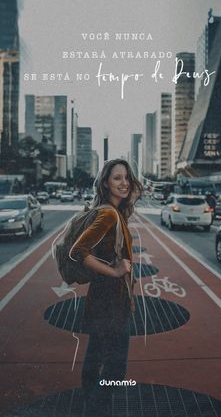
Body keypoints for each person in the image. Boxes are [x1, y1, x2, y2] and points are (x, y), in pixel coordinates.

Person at [70, 159, 143, 417]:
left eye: (126, 178)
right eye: (117, 178)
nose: (124, 183)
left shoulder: (114, 211)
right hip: (111, 302)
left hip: (104, 298)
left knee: (95, 360)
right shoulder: (108, 214)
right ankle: (97, 408)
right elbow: (78, 251)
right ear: (105, 183)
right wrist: (115, 270)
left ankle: (95, 407)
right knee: (115, 368)